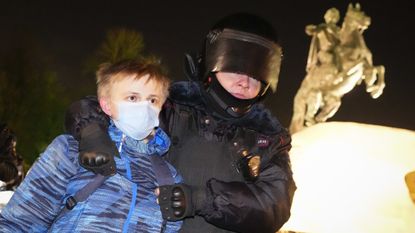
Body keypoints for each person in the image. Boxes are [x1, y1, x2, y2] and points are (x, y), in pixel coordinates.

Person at [65, 13, 296, 233]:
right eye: (236, 68)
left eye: (256, 75)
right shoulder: (169, 108)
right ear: (211, 63)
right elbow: (101, 105)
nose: (245, 82)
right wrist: (92, 131)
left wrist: (202, 199)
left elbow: (275, 205)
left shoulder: (268, 139)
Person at [0, 59, 183, 232]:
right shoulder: (69, 150)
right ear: (106, 105)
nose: (144, 107)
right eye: (132, 98)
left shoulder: (169, 176)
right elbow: (21, 222)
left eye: (152, 100)